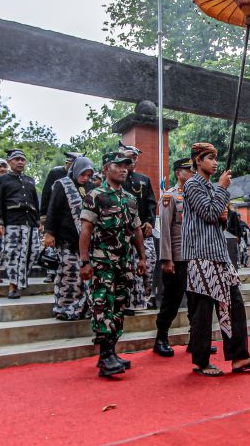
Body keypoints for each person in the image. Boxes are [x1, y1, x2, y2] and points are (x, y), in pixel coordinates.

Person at [183, 142, 250, 377]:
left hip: (220, 255)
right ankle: (201, 362)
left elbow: (217, 221)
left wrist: (222, 213)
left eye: (215, 157)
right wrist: (222, 189)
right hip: (200, 256)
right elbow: (209, 213)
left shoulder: (212, 188)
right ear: (198, 161)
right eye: (210, 157)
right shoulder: (192, 185)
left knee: (235, 305)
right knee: (202, 311)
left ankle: (240, 357)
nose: (215, 162)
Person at [79, 151, 146, 378]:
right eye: (118, 165)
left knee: (119, 305)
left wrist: (142, 257)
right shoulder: (95, 196)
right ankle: (105, 355)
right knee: (102, 305)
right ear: (106, 168)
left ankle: (111, 352)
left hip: (125, 262)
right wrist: (84, 261)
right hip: (102, 261)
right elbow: (85, 230)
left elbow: (136, 230)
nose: (124, 169)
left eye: (126, 165)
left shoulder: (130, 198)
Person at [154, 158, 220, 357]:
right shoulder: (170, 196)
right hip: (178, 257)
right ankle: (161, 338)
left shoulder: (196, 195)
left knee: (196, 300)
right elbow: (165, 229)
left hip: (196, 256)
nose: (192, 173)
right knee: (171, 300)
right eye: (187, 170)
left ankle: (196, 340)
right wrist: (166, 258)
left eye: (193, 170)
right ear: (178, 173)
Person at [44, 156, 94, 321]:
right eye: (83, 174)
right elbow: (53, 209)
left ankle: (81, 308)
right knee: (68, 274)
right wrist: (49, 232)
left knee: (84, 278)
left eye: (88, 175)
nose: (85, 178)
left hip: (84, 242)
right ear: (75, 170)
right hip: (66, 237)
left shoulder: (90, 187)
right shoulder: (62, 184)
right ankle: (64, 308)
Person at [0, 149, 41, 299]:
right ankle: (13, 285)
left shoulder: (29, 180)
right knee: (13, 254)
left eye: (23, 159)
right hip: (12, 221)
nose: (20, 162)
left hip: (30, 222)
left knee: (34, 252)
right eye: (17, 159)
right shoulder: (1, 180)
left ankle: (21, 279)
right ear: (10, 162)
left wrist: (38, 221)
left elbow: (34, 201)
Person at [118, 142, 157, 314]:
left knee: (149, 262)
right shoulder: (117, 177)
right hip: (122, 231)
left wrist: (150, 221)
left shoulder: (144, 179)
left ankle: (146, 297)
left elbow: (151, 203)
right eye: (129, 157)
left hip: (143, 229)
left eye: (135, 158)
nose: (133, 160)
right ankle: (126, 301)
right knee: (127, 267)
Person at [41, 151, 83, 284]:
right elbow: (47, 193)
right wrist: (43, 215)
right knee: (52, 246)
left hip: (72, 219)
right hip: (55, 214)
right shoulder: (56, 173)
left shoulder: (81, 178)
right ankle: (50, 272)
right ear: (67, 163)